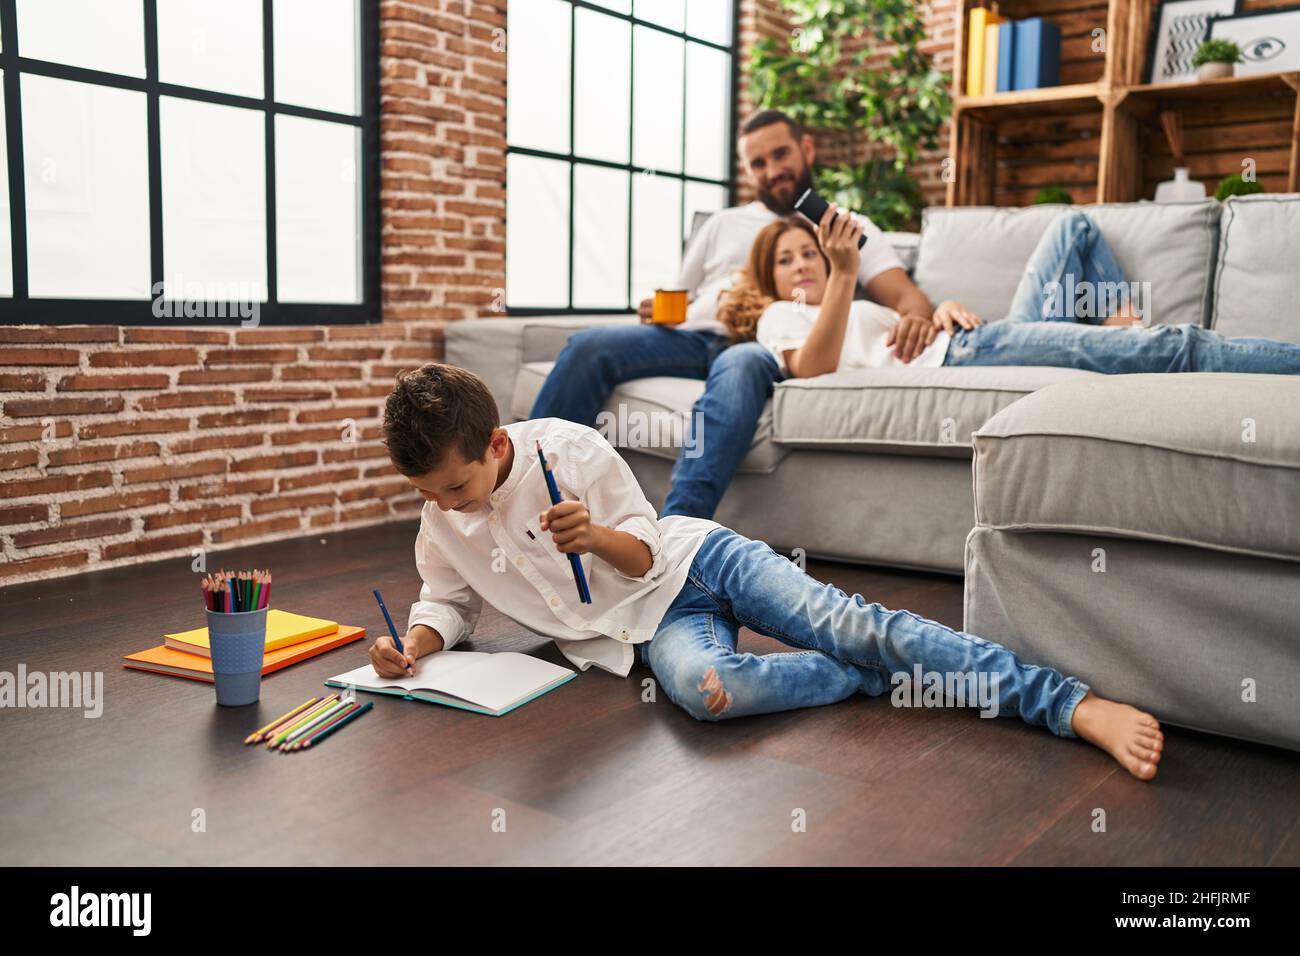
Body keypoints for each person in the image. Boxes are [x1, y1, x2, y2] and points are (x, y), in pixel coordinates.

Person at [372, 362, 1167, 781]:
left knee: (859, 624)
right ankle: (870, 677)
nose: (450, 508)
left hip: (695, 559)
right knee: (714, 697)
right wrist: (414, 643)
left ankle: (1068, 704)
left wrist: (598, 539)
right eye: (430, 495)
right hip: (652, 631)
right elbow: (447, 598)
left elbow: (645, 552)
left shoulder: (570, 449)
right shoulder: (440, 514)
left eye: (457, 488)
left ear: (497, 446)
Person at [529, 109, 938, 519]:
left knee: (740, 364)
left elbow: (908, 299)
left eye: (781, 155)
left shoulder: (842, 228)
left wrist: (918, 318)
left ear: (806, 149)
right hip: (696, 338)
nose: (773, 170)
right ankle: (529, 493)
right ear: (746, 170)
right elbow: (680, 299)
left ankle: (679, 535)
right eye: (758, 164)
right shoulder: (723, 224)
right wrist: (662, 312)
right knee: (589, 345)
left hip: (767, 345)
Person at [727, 207, 1300, 378]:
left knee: (1072, 228)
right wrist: (845, 274)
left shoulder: (853, 305)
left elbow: (910, 325)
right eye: (785, 259)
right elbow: (812, 368)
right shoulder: (779, 318)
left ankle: (1117, 320)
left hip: (975, 338)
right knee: (1172, 346)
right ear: (769, 278)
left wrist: (944, 308)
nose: (801, 263)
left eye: (809, 252)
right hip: (970, 356)